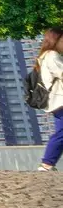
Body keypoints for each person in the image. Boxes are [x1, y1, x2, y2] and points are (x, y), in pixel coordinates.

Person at [36, 29, 63, 171]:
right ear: (55, 40)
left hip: (57, 101)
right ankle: (47, 163)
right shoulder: (52, 55)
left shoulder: (46, 56)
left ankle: (47, 163)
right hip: (60, 100)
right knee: (62, 133)